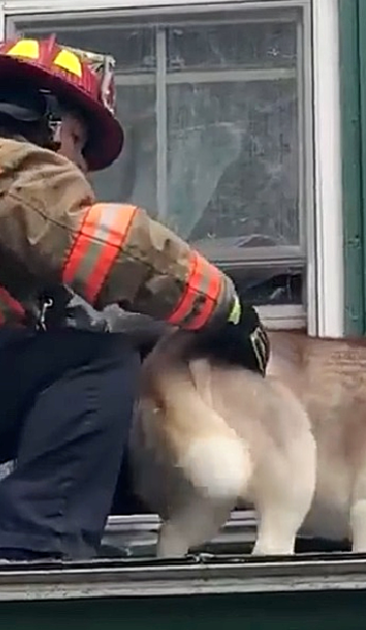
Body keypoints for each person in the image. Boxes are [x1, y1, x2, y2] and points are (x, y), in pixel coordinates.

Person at [0, 35, 269, 561]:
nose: (81, 172)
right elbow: (101, 243)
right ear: (43, 120)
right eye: (81, 144)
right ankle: (39, 543)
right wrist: (223, 306)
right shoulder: (12, 168)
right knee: (95, 369)